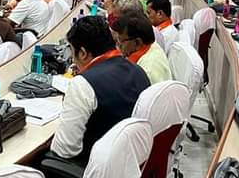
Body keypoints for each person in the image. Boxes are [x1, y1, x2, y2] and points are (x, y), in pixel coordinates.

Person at [50, 16, 150, 162]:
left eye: (72, 52)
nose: (73, 60)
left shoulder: (83, 84)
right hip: (131, 162)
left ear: (83, 53)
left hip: (92, 167)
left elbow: (64, 150)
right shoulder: (138, 71)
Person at [111, 12, 172, 85]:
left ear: (137, 42)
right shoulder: (150, 46)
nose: (118, 45)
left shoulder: (147, 72)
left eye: (120, 40)